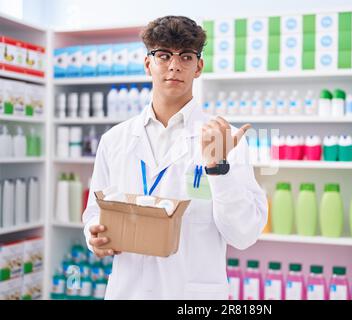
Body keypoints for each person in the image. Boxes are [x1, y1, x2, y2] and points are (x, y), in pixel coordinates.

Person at [82, 15, 268, 299]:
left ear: (199, 67)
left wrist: (218, 167)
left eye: (186, 56)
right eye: (164, 55)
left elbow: (243, 235)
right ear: (148, 64)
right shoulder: (114, 140)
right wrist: (94, 236)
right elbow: (95, 211)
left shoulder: (225, 139)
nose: (174, 65)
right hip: (128, 290)